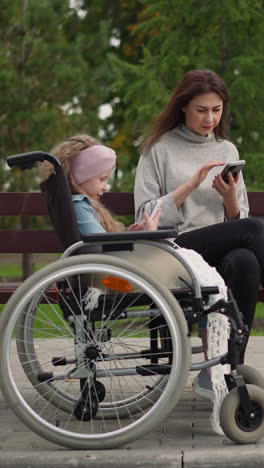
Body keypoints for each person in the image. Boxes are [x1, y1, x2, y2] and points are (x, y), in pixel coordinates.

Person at [134, 69, 264, 400]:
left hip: (217, 255)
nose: (210, 118)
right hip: (174, 252)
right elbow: (143, 216)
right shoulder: (158, 149)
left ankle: (219, 370)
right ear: (183, 107)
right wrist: (188, 187)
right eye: (201, 110)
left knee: (246, 260)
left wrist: (229, 198)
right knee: (255, 230)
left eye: (216, 110)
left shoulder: (227, 150)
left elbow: (238, 219)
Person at [46, 135, 160, 236]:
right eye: (102, 179)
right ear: (81, 175)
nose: (105, 187)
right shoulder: (79, 205)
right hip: (102, 260)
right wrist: (150, 234)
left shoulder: (75, 205)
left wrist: (128, 235)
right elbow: (101, 245)